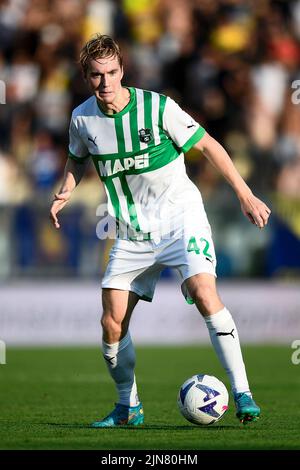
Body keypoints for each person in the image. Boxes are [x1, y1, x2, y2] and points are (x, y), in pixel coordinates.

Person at [50, 34, 271, 427]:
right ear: (86, 77)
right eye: (97, 76)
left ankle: (242, 393)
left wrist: (245, 194)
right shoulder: (82, 118)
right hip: (130, 231)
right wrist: (65, 190)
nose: (106, 83)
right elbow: (76, 159)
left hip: (180, 219)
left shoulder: (157, 107)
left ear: (123, 70)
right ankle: (128, 407)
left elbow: (209, 146)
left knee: (205, 292)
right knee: (111, 322)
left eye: (113, 73)